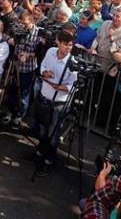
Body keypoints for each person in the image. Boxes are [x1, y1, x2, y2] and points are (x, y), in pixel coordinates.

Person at [30, 30, 78, 175]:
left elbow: (72, 86)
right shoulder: (51, 51)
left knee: (53, 133)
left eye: (70, 45)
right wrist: (45, 73)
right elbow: (43, 66)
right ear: (58, 43)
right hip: (44, 97)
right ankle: (39, 153)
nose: (68, 48)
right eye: (65, 44)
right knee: (42, 128)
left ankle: (49, 159)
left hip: (58, 103)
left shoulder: (72, 63)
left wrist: (58, 86)